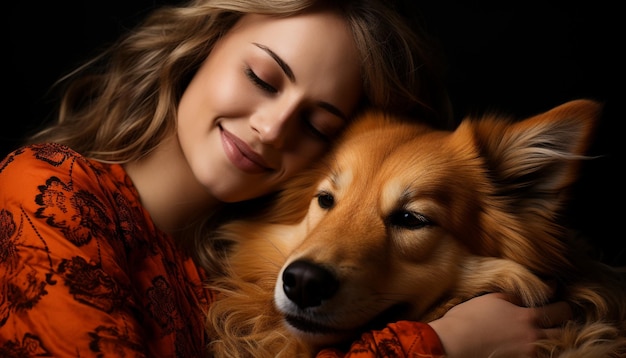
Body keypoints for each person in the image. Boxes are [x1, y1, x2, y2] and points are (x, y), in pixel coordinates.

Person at [0, 0, 572, 357]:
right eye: (263, 76)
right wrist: (437, 346)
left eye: (317, 124)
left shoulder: (229, 279)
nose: (272, 129)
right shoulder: (42, 193)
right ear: (204, 43)